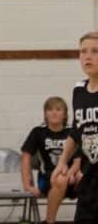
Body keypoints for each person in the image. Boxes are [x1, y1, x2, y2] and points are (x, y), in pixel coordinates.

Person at [52, 32, 98, 224]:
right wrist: (63, 161)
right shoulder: (78, 90)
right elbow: (75, 131)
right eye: (83, 51)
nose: (88, 56)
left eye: (95, 51)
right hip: (89, 177)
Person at [20, 96, 80, 224]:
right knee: (60, 178)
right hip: (47, 179)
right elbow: (25, 158)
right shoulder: (38, 132)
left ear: (65, 114)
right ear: (45, 114)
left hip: (70, 177)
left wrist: (72, 173)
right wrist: (27, 185)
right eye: (50, 109)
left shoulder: (72, 132)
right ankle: (49, 221)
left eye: (58, 109)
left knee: (86, 178)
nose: (54, 112)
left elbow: (78, 160)